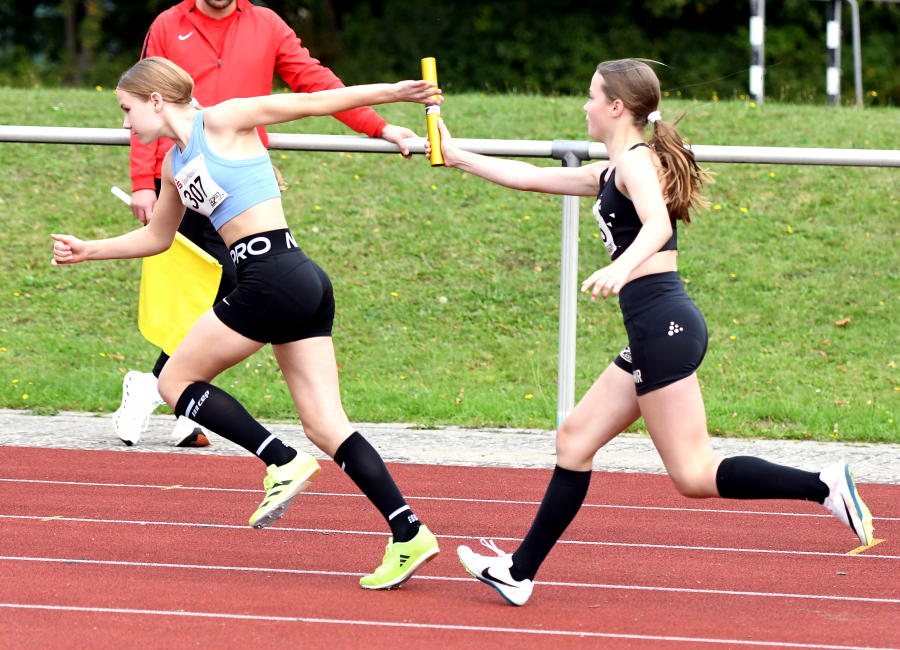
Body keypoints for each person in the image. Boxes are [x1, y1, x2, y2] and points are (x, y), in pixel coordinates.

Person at [432, 59, 875, 607]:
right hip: (654, 331)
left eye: (592, 96)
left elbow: (659, 226)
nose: (585, 106)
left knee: (693, 473)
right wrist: (455, 155)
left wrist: (621, 266)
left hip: (665, 326)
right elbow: (528, 176)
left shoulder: (636, 165)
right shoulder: (612, 171)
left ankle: (823, 484)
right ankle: (519, 572)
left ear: (617, 107)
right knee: (574, 439)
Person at [51, 57, 442, 589]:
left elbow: (310, 102)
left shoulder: (223, 120)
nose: (125, 124)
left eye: (126, 110)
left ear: (156, 101)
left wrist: (396, 93)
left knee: (174, 382)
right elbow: (159, 238)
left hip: (272, 275)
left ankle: (280, 461)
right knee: (326, 426)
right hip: (294, 278)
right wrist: (88, 250)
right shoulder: (171, 162)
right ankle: (409, 534)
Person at [115, 0, 422, 448]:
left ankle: (167, 387)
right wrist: (143, 180)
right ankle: (178, 392)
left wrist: (379, 126)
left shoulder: (266, 24)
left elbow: (314, 86)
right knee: (208, 293)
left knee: (234, 287)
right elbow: (143, 99)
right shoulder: (168, 23)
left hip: (235, 178)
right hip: (181, 179)